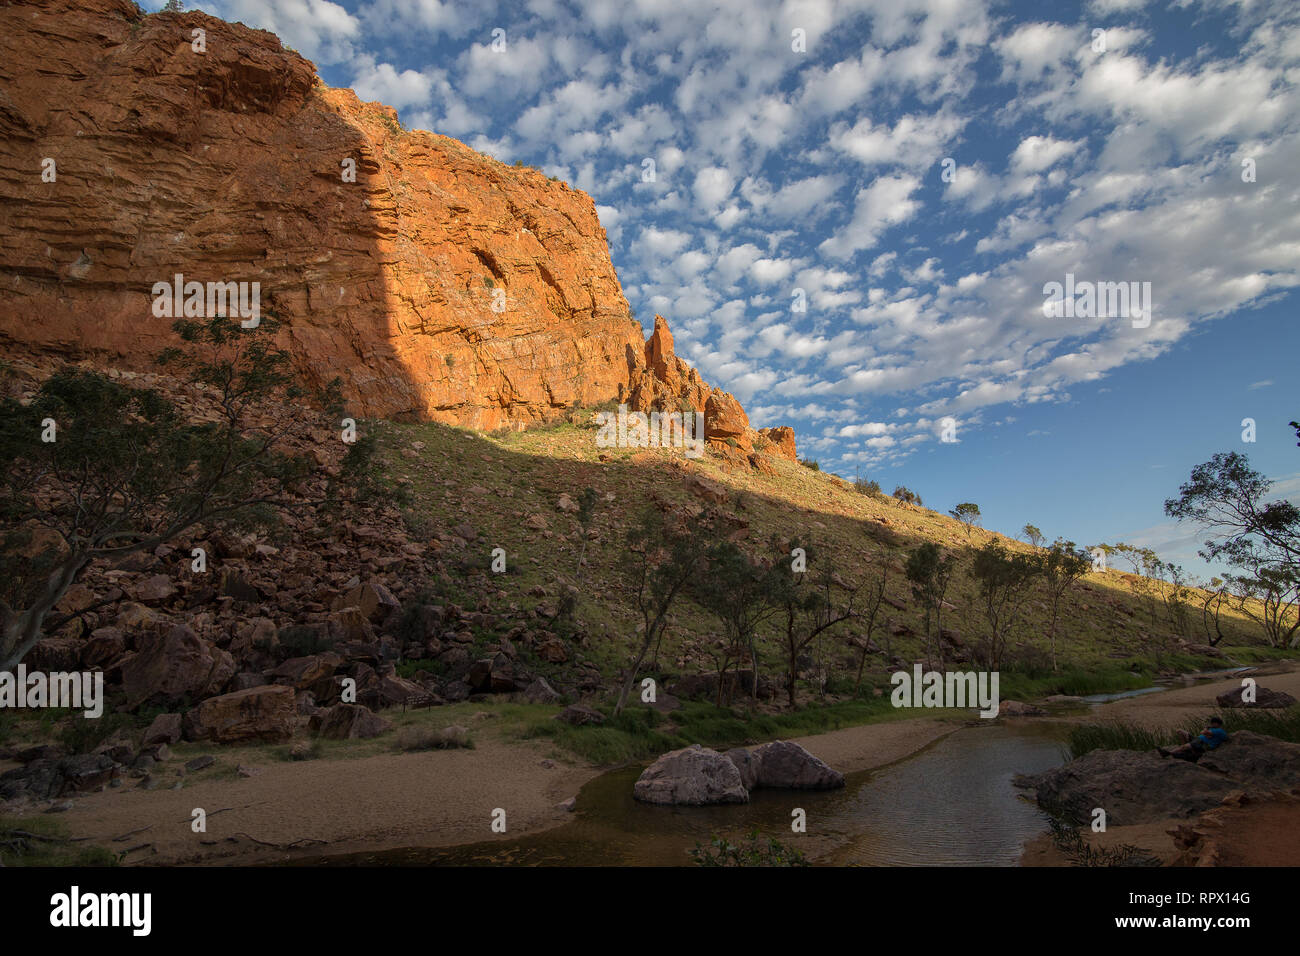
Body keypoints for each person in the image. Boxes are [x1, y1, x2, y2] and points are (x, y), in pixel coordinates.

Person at [1158, 716, 1227, 762]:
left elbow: (1203, 732)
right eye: (1211, 722)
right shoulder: (1214, 729)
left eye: (1213, 723)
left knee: (1186, 746)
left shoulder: (1219, 731)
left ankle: (1168, 753)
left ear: (1217, 724)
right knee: (1180, 731)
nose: (1211, 724)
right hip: (1198, 740)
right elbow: (1208, 735)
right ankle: (1184, 748)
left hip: (1203, 744)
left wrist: (1206, 728)